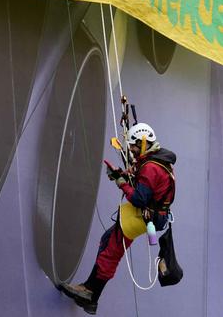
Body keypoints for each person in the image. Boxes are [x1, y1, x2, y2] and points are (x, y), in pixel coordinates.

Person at [58, 123, 177, 314]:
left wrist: (120, 182)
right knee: (107, 242)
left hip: (145, 216)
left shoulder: (151, 167)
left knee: (111, 250)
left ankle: (91, 296)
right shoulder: (158, 160)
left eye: (133, 146)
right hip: (152, 215)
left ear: (144, 143)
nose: (131, 150)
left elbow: (138, 198)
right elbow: (144, 187)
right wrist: (120, 175)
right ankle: (89, 289)